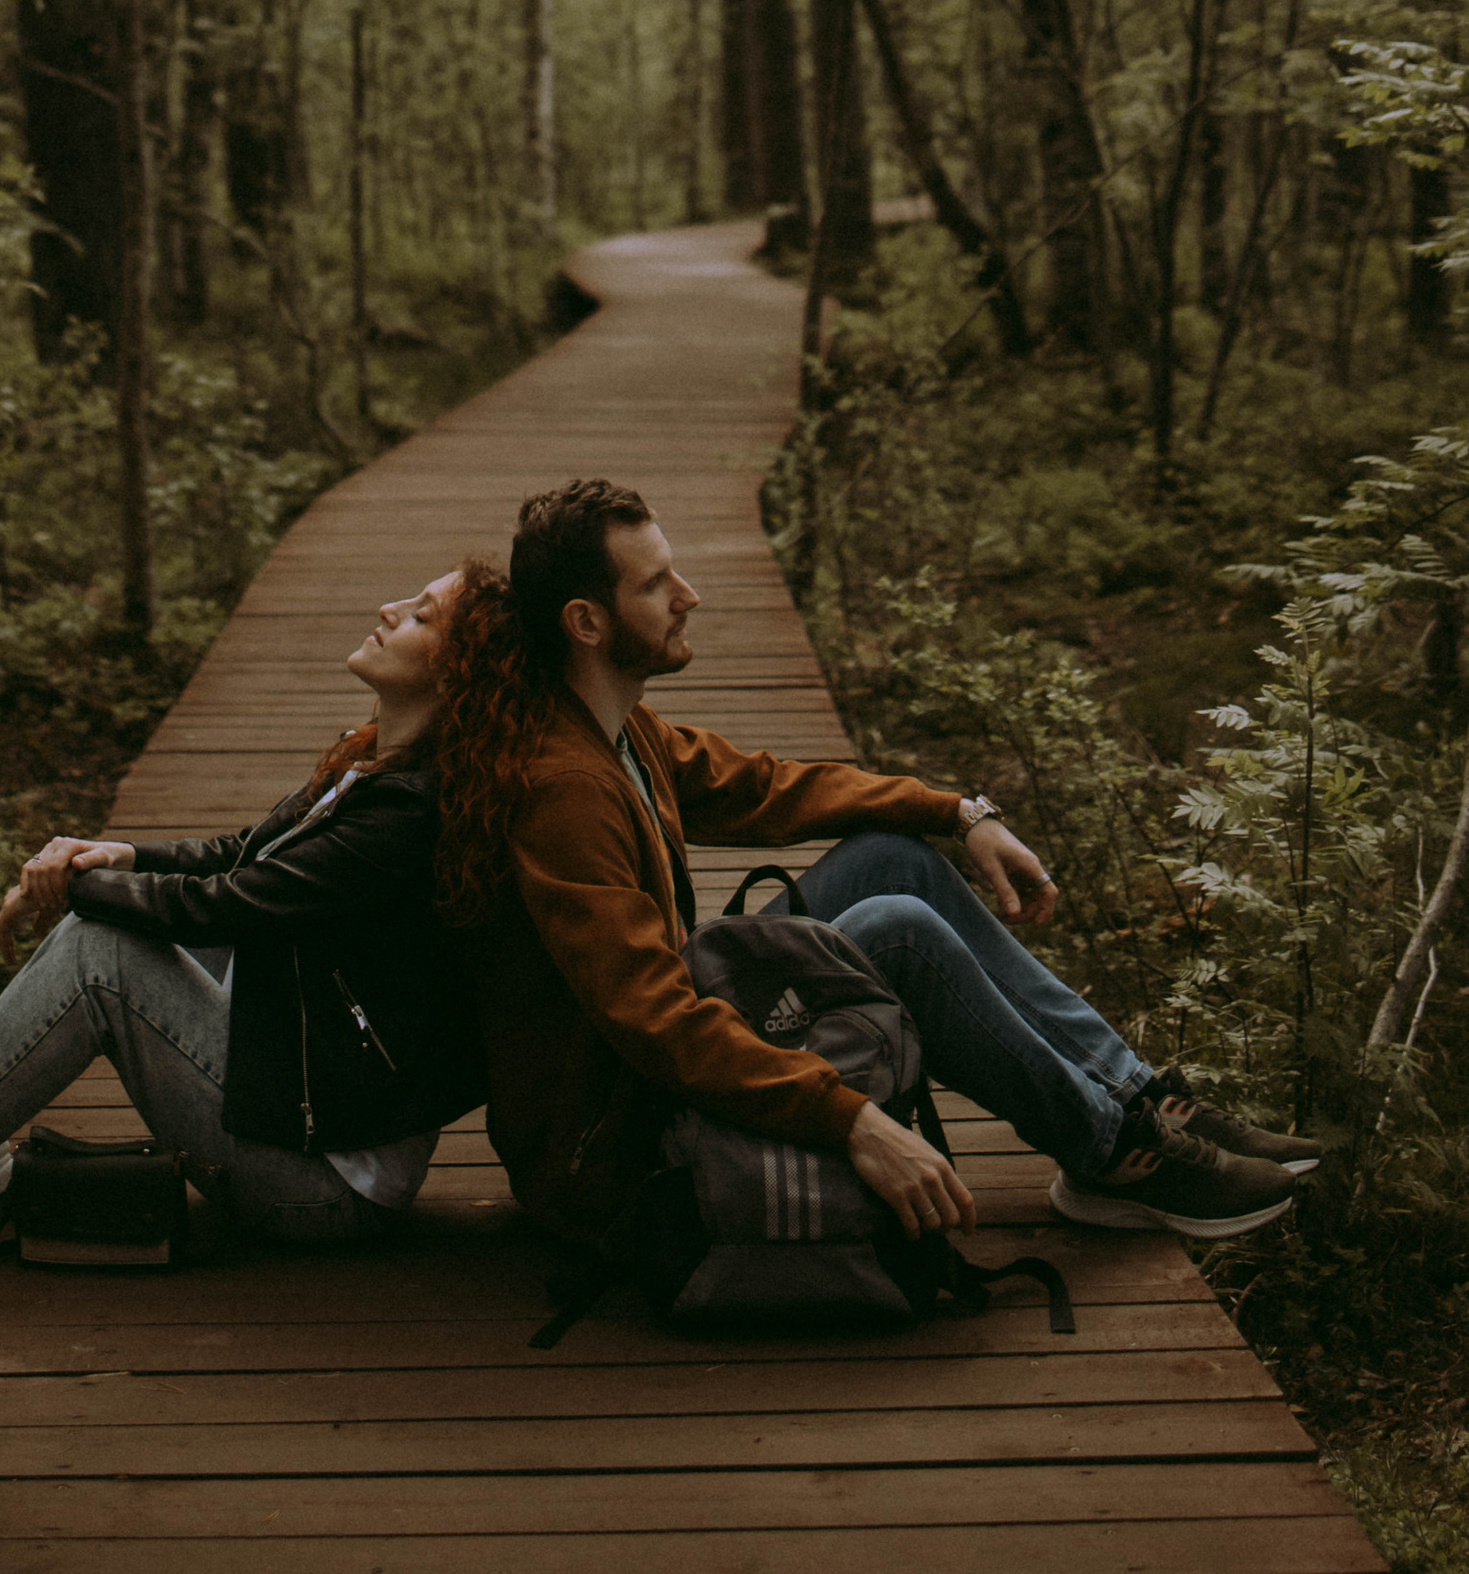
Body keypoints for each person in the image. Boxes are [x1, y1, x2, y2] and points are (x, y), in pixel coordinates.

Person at [435, 479, 1319, 1253]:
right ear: (587, 622)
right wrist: (847, 1116)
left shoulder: (617, 726)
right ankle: (1109, 1155)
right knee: (896, 931)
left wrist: (957, 813)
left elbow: (769, 788)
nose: (689, 596)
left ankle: (1137, 1098)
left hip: (655, 1059)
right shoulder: (564, 792)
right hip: (613, 1142)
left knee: (892, 861)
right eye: (656, 584)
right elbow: (652, 1020)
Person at [0, 566, 490, 1264]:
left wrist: (71, 888)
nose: (390, 606)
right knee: (116, 920)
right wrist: (116, 856)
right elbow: (243, 856)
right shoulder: (376, 763)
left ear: (456, 672)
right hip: (302, 1095)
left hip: (321, 1186)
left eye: (422, 615)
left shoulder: (406, 812)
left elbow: (229, 904)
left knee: (102, 951)